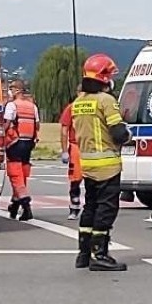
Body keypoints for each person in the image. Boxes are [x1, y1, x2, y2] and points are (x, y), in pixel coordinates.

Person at [71, 53, 131, 271]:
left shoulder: (79, 102)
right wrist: (128, 135)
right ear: (104, 77)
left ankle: (84, 253)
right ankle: (100, 254)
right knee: (106, 210)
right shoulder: (106, 101)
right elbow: (118, 133)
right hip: (107, 165)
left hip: (88, 165)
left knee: (90, 208)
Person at [3, 79, 40, 221]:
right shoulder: (32, 106)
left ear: (17, 90)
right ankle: (15, 203)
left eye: (11, 88)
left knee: (15, 175)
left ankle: (26, 206)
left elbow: (6, 123)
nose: (10, 91)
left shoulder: (12, 105)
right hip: (28, 144)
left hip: (14, 143)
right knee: (22, 175)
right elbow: (37, 125)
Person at [59, 89, 84, 220]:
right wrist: (64, 151)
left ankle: (75, 207)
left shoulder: (71, 107)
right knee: (78, 179)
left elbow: (64, 131)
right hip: (85, 146)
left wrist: (64, 150)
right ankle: (76, 206)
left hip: (78, 146)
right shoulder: (73, 108)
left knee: (76, 180)